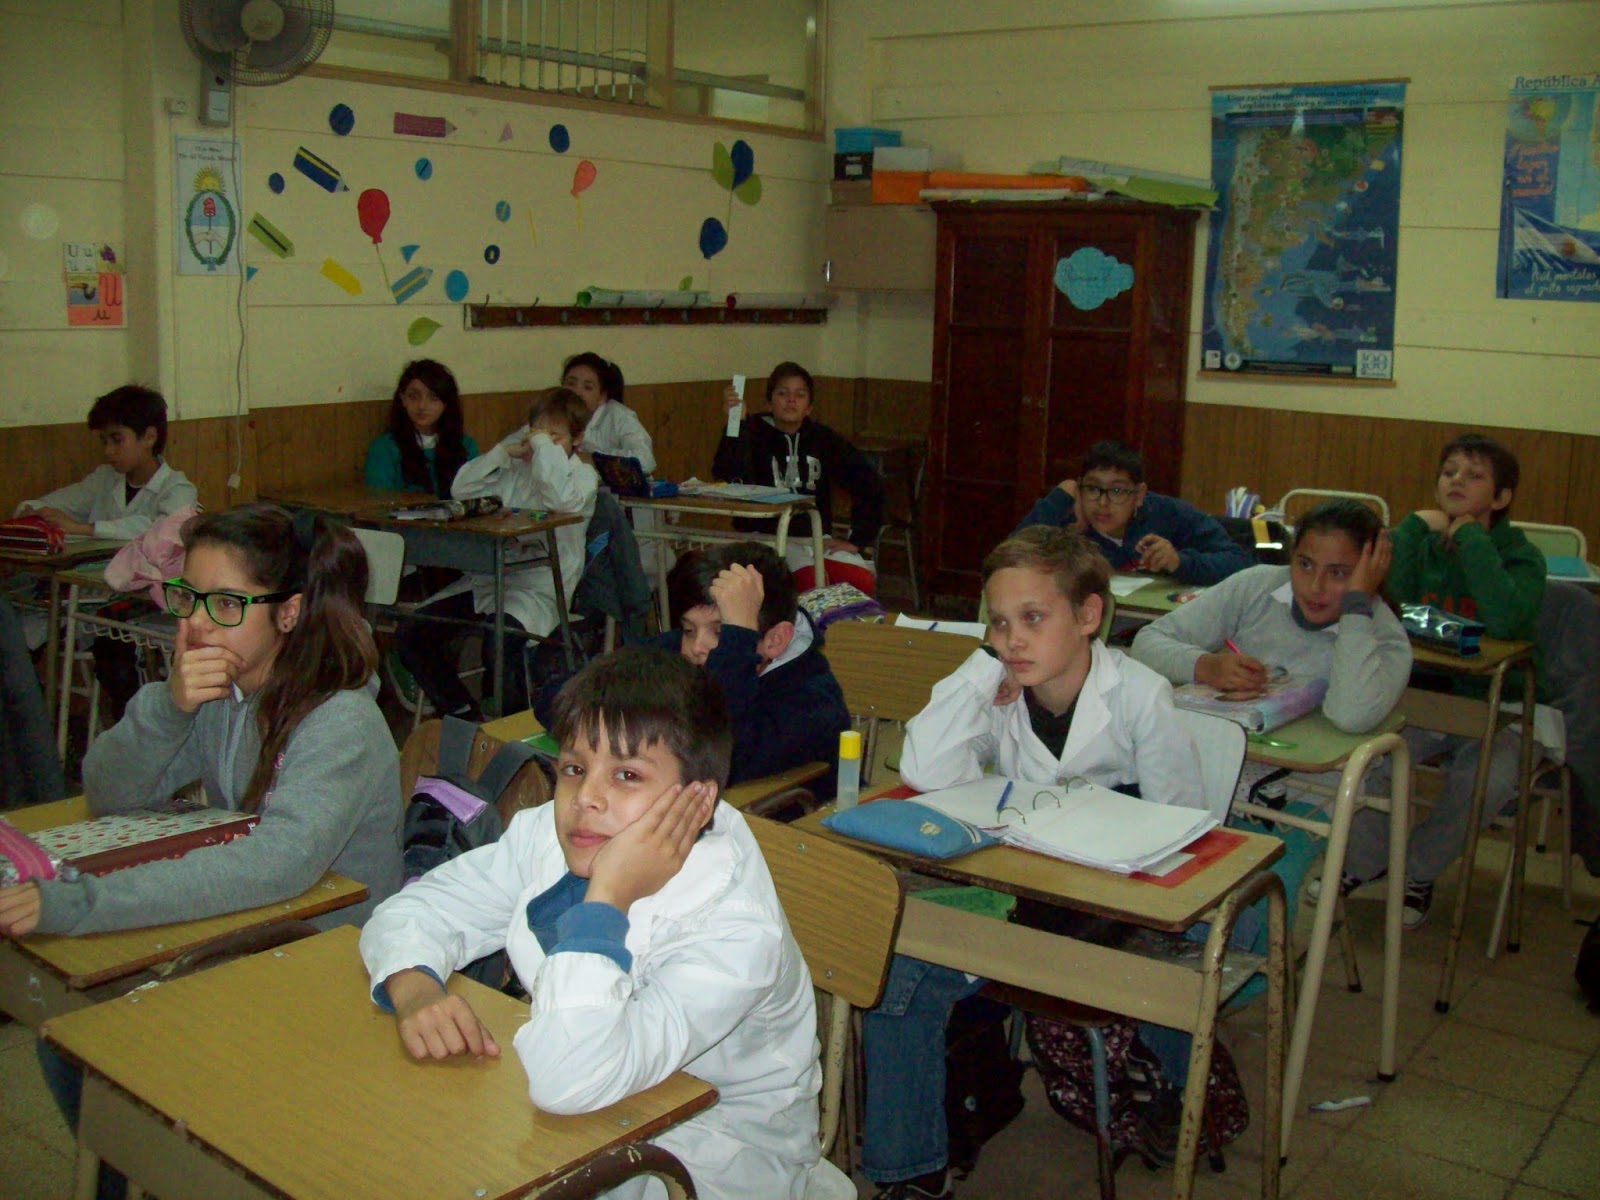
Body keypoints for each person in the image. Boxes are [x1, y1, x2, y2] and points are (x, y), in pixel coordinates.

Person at [0, 502, 402, 1200]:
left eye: (225, 604)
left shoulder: (341, 720)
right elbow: (108, 792)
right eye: (188, 596)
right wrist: (170, 706)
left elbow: (275, 864)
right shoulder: (226, 687)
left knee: (102, 1051)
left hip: (325, 966)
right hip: (252, 931)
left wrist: (83, 904)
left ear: (288, 613)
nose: (195, 624)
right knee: (75, 1040)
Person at [359, 646, 854, 1200]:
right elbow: (416, 908)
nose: (587, 798)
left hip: (710, 1154)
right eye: (574, 769)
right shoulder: (553, 835)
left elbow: (569, 1077)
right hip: (587, 1110)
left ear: (697, 801)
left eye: (626, 775)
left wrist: (608, 899)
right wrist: (415, 987)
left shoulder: (736, 926)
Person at [861, 526, 1204, 1200]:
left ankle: (1172, 1081)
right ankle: (913, 1173)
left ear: (1088, 615)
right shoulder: (1002, 688)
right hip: (1020, 901)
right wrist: (979, 670)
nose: (1012, 639)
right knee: (897, 976)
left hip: (1113, 913)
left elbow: (1180, 828)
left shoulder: (1139, 696)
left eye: (1033, 619)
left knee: (1167, 977)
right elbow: (926, 770)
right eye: (998, 623)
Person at [1338, 434, 1545, 925]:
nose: (1456, 481)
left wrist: (1472, 539)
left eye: (1474, 476)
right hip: (1424, 696)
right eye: (1449, 472)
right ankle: (1360, 864)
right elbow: (1393, 608)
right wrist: (1411, 529)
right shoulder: (1424, 542)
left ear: (1501, 497)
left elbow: (1503, 622)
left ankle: (1416, 870)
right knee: (1375, 761)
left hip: (1500, 708)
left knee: (1484, 780)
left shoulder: (1521, 558)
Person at [396, 387, 599, 721]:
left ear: (577, 440)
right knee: (412, 631)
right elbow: (461, 490)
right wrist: (503, 453)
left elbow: (559, 499)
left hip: (540, 589)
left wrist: (543, 447)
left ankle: (514, 728)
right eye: (537, 434)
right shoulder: (514, 473)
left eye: (555, 438)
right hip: (491, 581)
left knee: (500, 639)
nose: (541, 444)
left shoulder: (583, 477)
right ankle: (463, 713)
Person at [15, 384, 198, 720]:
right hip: (88, 596)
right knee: (17, 638)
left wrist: (85, 528)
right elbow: (48, 504)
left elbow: (160, 530)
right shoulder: (104, 480)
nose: (108, 451)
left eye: (117, 440)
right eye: (104, 441)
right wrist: (34, 512)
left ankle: (126, 724)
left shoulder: (177, 489)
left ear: (149, 437)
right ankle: (32, 725)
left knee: (113, 651)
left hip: (141, 605)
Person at [1013, 440, 1251, 586]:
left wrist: (1180, 562)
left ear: (1139, 494)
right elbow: (1009, 557)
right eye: (1093, 488)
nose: (1103, 503)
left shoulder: (1170, 514)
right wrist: (1061, 496)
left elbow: (1240, 563)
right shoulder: (1066, 513)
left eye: (1117, 491)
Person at [712, 361, 886, 559]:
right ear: (769, 403)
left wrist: (857, 541)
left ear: (809, 408)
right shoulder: (750, 432)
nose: (791, 400)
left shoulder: (823, 439)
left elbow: (869, 483)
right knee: (800, 572)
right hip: (762, 540)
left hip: (814, 539)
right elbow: (726, 475)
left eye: (800, 395)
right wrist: (737, 424)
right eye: (782, 393)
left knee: (856, 572)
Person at [364, 359, 480, 497]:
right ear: (403, 399)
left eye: (433, 397)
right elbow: (380, 503)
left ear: (446, 403)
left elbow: (477, 497)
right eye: (414, 397)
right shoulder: (383, 449)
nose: (422, 406)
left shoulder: (466, 446)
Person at [562, 351, 655, 472]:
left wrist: (594, 459)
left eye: (588, 387)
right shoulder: (552, 412)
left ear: (602, 396)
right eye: (570, 384)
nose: (576, 392)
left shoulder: (620, 416)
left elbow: (645, 460)